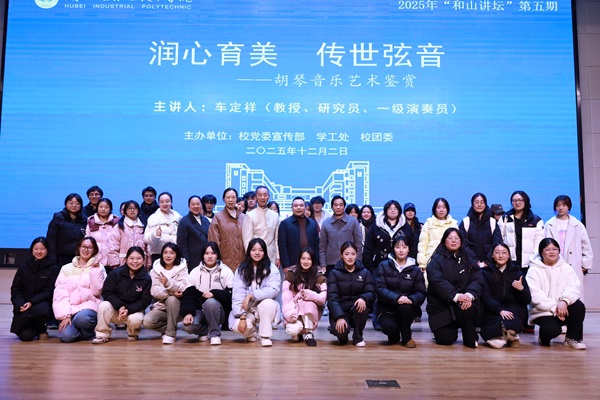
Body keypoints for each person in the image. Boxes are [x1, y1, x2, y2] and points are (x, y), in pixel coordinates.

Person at [426, 228, 483, 348]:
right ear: (444, 241)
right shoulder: (435, 260)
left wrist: (469, 295)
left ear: (461, 241)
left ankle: (469, 333)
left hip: (464, 304)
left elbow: (477, 278)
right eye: (450, 238)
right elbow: (437, 282)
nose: (453, 241)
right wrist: (456, 296)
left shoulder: (468, 257)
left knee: (469, 313)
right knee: (445, 339)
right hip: (441, 305)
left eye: (456, 238)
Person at [527, 238, 587, 350]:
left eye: (555, 249)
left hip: (563, 308)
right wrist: (555, 307)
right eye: (547, 249)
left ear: (559, 251)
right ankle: (543, 337)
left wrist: (564, 301)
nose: (552, 252)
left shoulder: (566, 268)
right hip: (543, 311)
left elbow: (573, 287)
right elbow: (535, 295)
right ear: (541, 252)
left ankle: (572, 338)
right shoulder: (533, 270)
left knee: (578, 306)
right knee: (552, 330)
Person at [499, 190, 543, 332]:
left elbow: (539, 244)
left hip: (529, 263)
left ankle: (529, 322)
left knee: (528, 292)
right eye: (514, 200)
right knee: (512, 293)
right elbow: (500, 239)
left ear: (526, 201)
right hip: (510, 263)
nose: (517, 202)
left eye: (520, 200)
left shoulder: (535, 220)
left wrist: (533, 261)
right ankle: (516, 321)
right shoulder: (505, 218)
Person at [373, 236, 425, 347]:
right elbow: (380, 288)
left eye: (404, 247)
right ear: (393, 249)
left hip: (407, 308)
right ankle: (394, 335)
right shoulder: (383, 266)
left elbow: (420, 292)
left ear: (409, 249)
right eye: (397, 247)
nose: (401, 250)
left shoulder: (415, 270)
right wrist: (397, 298)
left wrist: (411, 299)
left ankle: (407, 337)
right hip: (386, 308)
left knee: (404, 307)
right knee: (389, 328)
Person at [92, 246, 152, 343]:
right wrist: (120, 307)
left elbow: (145, 300)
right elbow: (107, 292)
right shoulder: (115, 273)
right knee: (104, 305)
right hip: (116, 311)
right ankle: (102, 335)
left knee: (136, 319)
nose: (135, 261)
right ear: (126, 259)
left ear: (143, 260)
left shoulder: (146, 278)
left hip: (132, 311)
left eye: (138, 258)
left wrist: (128, 310)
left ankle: (133, 333)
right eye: (132, 258)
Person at [53, 237, 107, 342]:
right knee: (66, 337)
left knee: (82, 318)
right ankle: (82, 333)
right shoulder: (66, 268)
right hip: (71, 311)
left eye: (90, 247)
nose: (86, 250)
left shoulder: (99, 267)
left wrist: (95, 270)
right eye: (84, 247)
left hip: (90, 309)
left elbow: (98, 291)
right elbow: (60, 294)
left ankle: (89, 332)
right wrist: (65, 316)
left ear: (94, 250)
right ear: (79, 248)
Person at [229, 238, 281, 347]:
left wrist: (252, 295)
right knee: (237, 326)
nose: (257, 253)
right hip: (247, 309)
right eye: (253, 250)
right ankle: (251, 333)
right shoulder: (241, 270)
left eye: (260, 250)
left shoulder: (272, 269)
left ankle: (265, 336)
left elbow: (273, 290)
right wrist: (242, 317)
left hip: (264, 308)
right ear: (249, 252)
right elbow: (237, 295)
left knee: (268, 304)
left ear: (265, 252)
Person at [180, 242, 234, 345]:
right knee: (187, 326)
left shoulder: (226, 271)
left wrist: (214, 294)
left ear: (217, 255)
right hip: (200, 311)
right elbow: (188, 295)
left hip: (218, 312)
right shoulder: (195, 272)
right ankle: (204, 331)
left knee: (210, 302)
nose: (209, 256)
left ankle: (214, 335)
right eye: (206, 253)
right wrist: (188, 312)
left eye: (213, 253)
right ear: (202, 255)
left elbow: (231, 295)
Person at [480, 243, 531, 349]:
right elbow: (485, 296)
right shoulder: (485, 273)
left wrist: (521, 289)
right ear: (492, 255)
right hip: (492, 310)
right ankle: (511, 336)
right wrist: (499, 310)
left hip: (512, 310)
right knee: (496, 339)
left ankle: (506, 334)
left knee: (511, 322)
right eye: (497, 253)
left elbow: (527, 299)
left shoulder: (517, 273)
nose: (501, 256)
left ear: (509, 256)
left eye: (504, 253)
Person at [544, 195, 593, 302]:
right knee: (555, 292)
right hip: (555, 263)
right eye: (558, 205)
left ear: (569, 207)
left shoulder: (577, 225)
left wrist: (585, 264)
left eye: (564, 205)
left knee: (574, 293)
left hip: (574, 263)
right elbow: (544, 245)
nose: (561, 208)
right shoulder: (549, 224)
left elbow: (586, 246)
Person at [10, 237, 59, 341]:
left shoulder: (54, 268)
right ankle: (35, 328)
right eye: (36, 249)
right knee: (25, 336)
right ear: (32, 249)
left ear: (47, 250)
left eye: (42, 249)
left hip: (41, 303)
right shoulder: (24, 267)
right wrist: (20, 304)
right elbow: (16, 289)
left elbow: (49, 291)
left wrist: (31, 302)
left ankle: (41, 329)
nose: (39, 252)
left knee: (41, 311)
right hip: (24, 304)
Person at [327, 241, 375, 347]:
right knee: (341, 334)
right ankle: (342, 335)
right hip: (340, 310)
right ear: (341, 255)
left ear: (356, 255)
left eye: (353, 254)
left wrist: (363, 298)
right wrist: (339, 316)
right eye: (347, 254)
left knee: (362, 308)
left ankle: (358, 337)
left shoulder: (364, 272)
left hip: (356, 310)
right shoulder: (334, 273)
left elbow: (371, 292)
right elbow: (332, 298)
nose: (350, 257)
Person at [143, 243, 189, 344]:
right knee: (147, 321)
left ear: (176, 255)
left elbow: (184, 287)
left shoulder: (182, 268)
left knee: (172, 299)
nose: (168, 256)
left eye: (171, 253)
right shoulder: (156, 269)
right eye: (165, 253)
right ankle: (170, 328)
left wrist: (168, 283)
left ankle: (170, 334)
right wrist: (172, 292)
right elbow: (154, 291)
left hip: (178, 308)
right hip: (161, 308)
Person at [282, 247, 327, 346]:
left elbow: (323, 299)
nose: (306, 262)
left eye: (309, 259)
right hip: (294, 312)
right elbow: (286, 300)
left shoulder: (319, 275)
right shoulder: (291, 275)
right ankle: (298, 333)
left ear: (313, 261)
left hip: (310, 312)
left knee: (307, 303)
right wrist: (292, 315)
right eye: (303, 258)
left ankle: (309, 333)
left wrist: (310, 294)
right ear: (299, 259)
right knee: (293, 330)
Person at [363, 200, 417, 271]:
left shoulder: (406, 228)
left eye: (395, 209)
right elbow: (368, 248)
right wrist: (370, 268)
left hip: (402, 268)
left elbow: (413, 247)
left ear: (399, 211)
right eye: (390, 208)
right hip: (378, 266)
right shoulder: (376, 227)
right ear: (385, 210)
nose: (392, 210)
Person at [319, 195, 363, 277]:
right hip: (331, 263)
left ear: (344, 206)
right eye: (335, 205)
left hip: (350, 263)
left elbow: (358, 244)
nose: (338, 207)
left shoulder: (353, 221)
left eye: (341, 205)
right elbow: (322, 247)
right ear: (331, 207)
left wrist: (358, 261)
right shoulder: (326, 223)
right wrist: (323, 264)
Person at [458, 193, 502, 268]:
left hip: (489, 265)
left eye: (482, 202)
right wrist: (474, 262)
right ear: (472, 204)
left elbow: (497, 243)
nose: (479, 205)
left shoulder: (492, 222)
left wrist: (487, 262)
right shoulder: (466, 222)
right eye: (476, 202)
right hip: (470, 265)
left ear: (485, 204)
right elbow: (462, 244)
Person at [208, 188, 246, 272]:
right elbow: (213, 241)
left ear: (237, 199)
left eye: (233, 197)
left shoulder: (244, 217)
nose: (231, 200)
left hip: (243, 262)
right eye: (228, 197)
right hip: (225, 262)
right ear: (224, 199)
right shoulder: (218, 217)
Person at [278, 197, 320, 271]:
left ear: (305, 207)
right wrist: (285, 265)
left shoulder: (312, 223)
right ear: (292, 208)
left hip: (310, 263)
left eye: (301, 205)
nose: (298, 208)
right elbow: (282, 246)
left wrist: (316, 263)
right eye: (296, 206)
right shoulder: (285, 223)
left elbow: (316, 245)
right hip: (292, 264)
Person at [417, 197, 458, 272]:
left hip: (450, 259)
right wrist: (422, 263)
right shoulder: (428, 223)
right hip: (431, 258)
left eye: (444, 207)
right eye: (438, 207)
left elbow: (458, 244)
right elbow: (422, 244)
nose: (441, 210)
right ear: (434, 209)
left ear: (447, 209)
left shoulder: (453, 224)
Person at [242, 186, 280, 266]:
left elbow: (276, 240)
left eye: (265, 195)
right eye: (260, 195)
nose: (262, 197)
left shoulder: (275, 215)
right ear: (256, 197)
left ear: (268, 197)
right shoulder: (250, 215)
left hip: (271, 256)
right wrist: (250, 256)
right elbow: (247, 240)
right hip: (256, 256)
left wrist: (278, 256)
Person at [46, 193, 87, 267]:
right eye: (71, 203)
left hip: (79, 258)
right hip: (60, 259)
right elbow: (51, 240)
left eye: (77, 203)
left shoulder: (85, 220)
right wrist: (52, 258)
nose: (74, 205)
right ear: (65, 204)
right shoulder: (58, 218)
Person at [108, 200, 149, 271]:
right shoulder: (119, 227)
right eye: (129, 208)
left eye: (134, 208)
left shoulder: (143, 226)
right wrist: (115, 264)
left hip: (141, 264)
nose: (132, 210)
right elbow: (113, 247)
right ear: (125, 211)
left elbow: (148, 247)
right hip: (122, 264)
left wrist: (148, 263)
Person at [144, 192, 182, 264]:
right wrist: (156, 235)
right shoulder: (153, 218)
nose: (165, 204)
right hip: (158, 253)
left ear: (171, 202)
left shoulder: (178, 217)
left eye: (167, 201)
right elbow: (147, 239)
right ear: (158, 203)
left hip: (175, 253)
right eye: (162, 202)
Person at [177, 195, 210, 271]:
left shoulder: (205, 220)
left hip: (206, 258)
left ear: (201, 205)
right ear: (189, 206)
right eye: (193, 204)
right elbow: (181, 244)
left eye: (198, 204)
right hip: (192, 259)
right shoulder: (184, 221)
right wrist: (185, 259)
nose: (196, 206)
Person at [85, 198, 120, 269]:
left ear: (110, 209)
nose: (103, 209)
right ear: (97, 208)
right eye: (101, 207)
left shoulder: (116, 223)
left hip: (113, 264)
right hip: (95, 262)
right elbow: (87, 242)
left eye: (106, 207)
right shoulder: (91, 222)